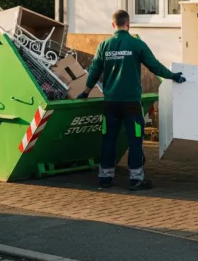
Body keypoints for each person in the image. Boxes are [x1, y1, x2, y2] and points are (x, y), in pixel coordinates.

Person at [78, 10, 186, 191]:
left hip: (111, 103)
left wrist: (85, 92)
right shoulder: (136, 44)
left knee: (108, 139)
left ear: (113, 25)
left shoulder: (104, 45)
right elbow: (155, 66)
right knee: (135, 140)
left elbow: (94, 71)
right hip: (131, 104)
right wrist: (173, 76)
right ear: (128, 24)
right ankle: (136, 179)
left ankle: (105, 178)